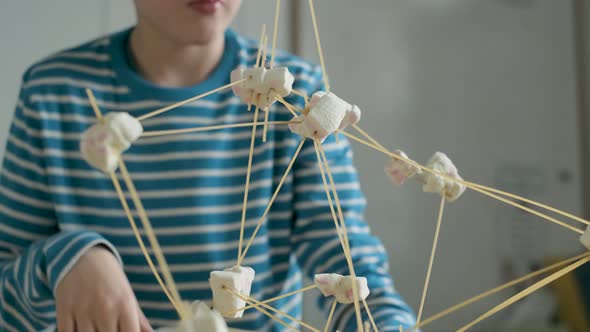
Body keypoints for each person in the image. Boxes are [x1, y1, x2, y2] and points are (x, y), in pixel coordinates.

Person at [0, 0, 417, 331]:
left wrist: (385, 325)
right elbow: (6, 298)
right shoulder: (53, 93)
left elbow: (349, 269)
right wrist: (66, 260)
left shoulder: (300, 99)